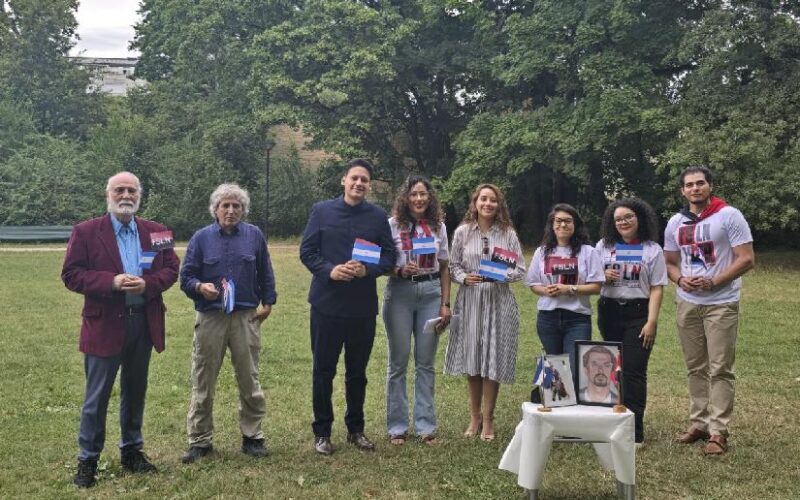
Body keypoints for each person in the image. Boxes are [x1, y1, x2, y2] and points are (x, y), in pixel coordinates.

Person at [62, 172, 180, 488]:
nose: (126, 195)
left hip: (143, 321)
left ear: (139, 195)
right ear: (108, 195)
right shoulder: (85, 232)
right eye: (119, 190)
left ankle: (132, 451)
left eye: (131, 190)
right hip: (104, 324)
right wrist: (110, 282)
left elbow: (172, 269)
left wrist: (149, 284)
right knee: (97, 396)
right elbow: (71, 274)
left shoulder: (158, 231)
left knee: (135, 390)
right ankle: (88, 460)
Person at [300, 158, 395, 456]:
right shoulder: (321, 211)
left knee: (357, 372)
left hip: (361, 308)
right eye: (354, 178)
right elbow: (307, 251)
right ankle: (322, 432)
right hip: (326, 305)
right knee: (323, 371)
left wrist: (368, 270)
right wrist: (329, 270)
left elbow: (389, 257)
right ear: (344, 180)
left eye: (364, 180)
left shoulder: (377, 217)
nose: (359, 183)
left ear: (369, 185)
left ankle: (356, 429)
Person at [179, 183, 277, 463]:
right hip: (211, 316)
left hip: (245, 316)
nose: (231, 210)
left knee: (249, 377)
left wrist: (268, 301)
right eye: (226, 205)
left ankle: (252, 436)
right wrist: (200, 287)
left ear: (243, 210)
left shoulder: (254, 235)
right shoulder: (201, 238)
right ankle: (200, 440)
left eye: (236, 206)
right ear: (216, 209)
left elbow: (265, 270)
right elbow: (186, 277)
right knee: (203, 379)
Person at [664, 166, 754, 456]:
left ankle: (718, 431)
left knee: (720, 368)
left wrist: (714, 281)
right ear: (682, 191)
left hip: (721, 302)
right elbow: (669, 262)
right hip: (687, 302)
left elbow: (746, 259)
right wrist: (680, 279)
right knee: (695, 367)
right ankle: (699, 423)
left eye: (700, 183)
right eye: (689, 185)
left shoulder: (729, 215)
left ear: (710, 186)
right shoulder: (676, 222)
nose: (695, 188)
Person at [444, 183, 525, 442]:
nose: (488, 204)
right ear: (475, 203)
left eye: (493, 200)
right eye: (483, 199)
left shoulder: (508, 234)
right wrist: (463, 277)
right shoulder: (462, 232)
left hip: (498, 301)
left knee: (492, 359)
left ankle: (489, 418)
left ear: (499, 205)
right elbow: (453, 266)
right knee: (473, 358)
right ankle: (474, 416)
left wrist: (501, 275)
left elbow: (520, 269)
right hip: (470, 300)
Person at [382, 176, 452, 446]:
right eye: (414, 194)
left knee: (425, 363)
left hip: (431, 294)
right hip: (400, 293)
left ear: (430, 197)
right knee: (398, 362)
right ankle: (397, 427)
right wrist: (399, 270)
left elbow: (444, 267)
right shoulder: (392, 225)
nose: (419, 199)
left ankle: (425, 426)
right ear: (405, 198)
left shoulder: (438, 227)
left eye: (423, 194)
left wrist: (445, 303)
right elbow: (381, 263)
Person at [596, 198, 667, 444]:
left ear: (640, 218)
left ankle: (634, 433)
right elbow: (590, 278)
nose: (623, 222)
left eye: (628, 217)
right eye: (618, 219)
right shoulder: (603, 246)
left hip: (639, 313)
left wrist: (652, 321)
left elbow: (657, 287)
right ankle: (613, 424)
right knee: (613, 369)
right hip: (609, 312)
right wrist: (602, 275)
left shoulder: (652, 249)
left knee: (634, 371)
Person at [526, 204, 604, 365]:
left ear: (575, 224)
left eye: (568, 221)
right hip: (548, 318)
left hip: (577, 319)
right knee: (555, 368)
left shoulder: (588, 252)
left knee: (576, 367)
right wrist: (546, 291)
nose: (563, 225)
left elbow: (596, 287)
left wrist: (569, 288)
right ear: (552, 225)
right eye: (558, 221)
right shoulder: (541, 252)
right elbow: (533, 284)